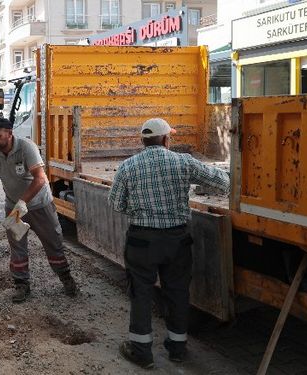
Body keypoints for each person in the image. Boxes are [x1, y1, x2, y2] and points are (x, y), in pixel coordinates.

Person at [108, 118, 230, 369]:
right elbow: (222, 182)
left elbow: (116, 204)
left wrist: (140, 209)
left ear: (143, 140)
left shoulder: (128, 166)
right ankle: (177, 348)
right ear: (166, 139)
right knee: (177, 292)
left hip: (141, 242)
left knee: (141, 292)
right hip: (177, 241)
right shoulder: (183, 162)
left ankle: (141, 351)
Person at [0, 117, 78, 303]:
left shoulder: (26, 147)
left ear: (9, 133)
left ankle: (65, 277)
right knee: (17, 247)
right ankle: (21, 285)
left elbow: (40, 179)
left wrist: (23, 203)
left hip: (39, 205)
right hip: (13, 207)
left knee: (53, 242)